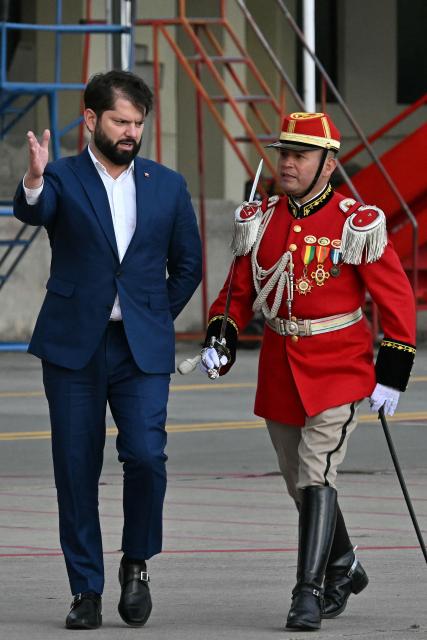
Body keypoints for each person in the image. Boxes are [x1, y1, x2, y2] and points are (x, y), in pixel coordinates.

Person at [200, 112, 416, 631]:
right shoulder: (264, 217)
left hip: (339, 366)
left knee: (317, 470)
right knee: (298, 482)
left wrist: (392, 368)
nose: (287, 163)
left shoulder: (354, 221)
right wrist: (221, 335)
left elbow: (396, 296)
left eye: (299, 154)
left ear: (328, 163)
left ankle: (309, 591)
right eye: (283, 153)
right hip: (279, 366)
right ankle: (345, 563)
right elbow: (238, 292)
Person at [14, 70, 202, 630]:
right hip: (73, 345)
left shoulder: (166, 184)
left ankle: (137, 564)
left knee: (146, 456)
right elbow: (35, 210)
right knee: (75, 468)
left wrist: (149, 316)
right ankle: (85, 590)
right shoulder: (64, 177)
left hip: (139, 349)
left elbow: (187, 265)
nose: (130, 131)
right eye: (120, 120)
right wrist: (33, 178)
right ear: (92, 119)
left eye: (138, 123)